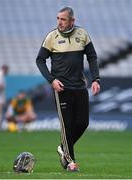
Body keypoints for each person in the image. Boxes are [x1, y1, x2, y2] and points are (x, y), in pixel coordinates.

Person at [36, 7, 100, 172]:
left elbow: (92, 57)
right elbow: (40, 60)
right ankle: (70, 162)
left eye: (63, 19)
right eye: (58, 18)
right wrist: (52, 80)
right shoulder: (52, 37)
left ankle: (62, 148)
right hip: (62, 88)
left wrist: (96, 79)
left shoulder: (82, 35)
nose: (59, 22)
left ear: (72, 20)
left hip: (80, 87)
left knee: (83, 123)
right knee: (67, 126)